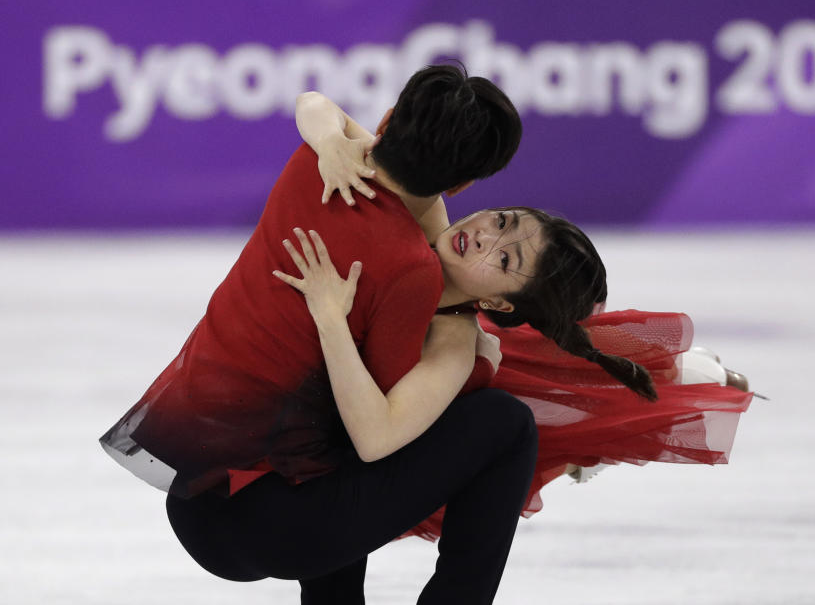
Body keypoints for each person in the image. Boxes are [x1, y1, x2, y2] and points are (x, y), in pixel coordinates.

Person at [100, 65, 547, 605]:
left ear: (386, 121)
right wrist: (474, 358)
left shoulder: (314, 162)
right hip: (279, 529)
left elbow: (316, 105)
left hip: (192, 498)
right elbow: (381, 422)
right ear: (462, 184)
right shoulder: (411, 272)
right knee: (505, 423)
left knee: (319, 419)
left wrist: (332, 136)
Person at [291, 93, 754, 541]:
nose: (482, 235)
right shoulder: (419, 202)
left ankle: (661, 392)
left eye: (508, 257)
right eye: (501, 220)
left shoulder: (452, 319)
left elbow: (378, 434)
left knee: (510, 386)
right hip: (461, 350)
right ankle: (637, 401)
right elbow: (314, 104)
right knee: (524, 370)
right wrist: (330, 143)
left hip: (435, 377)